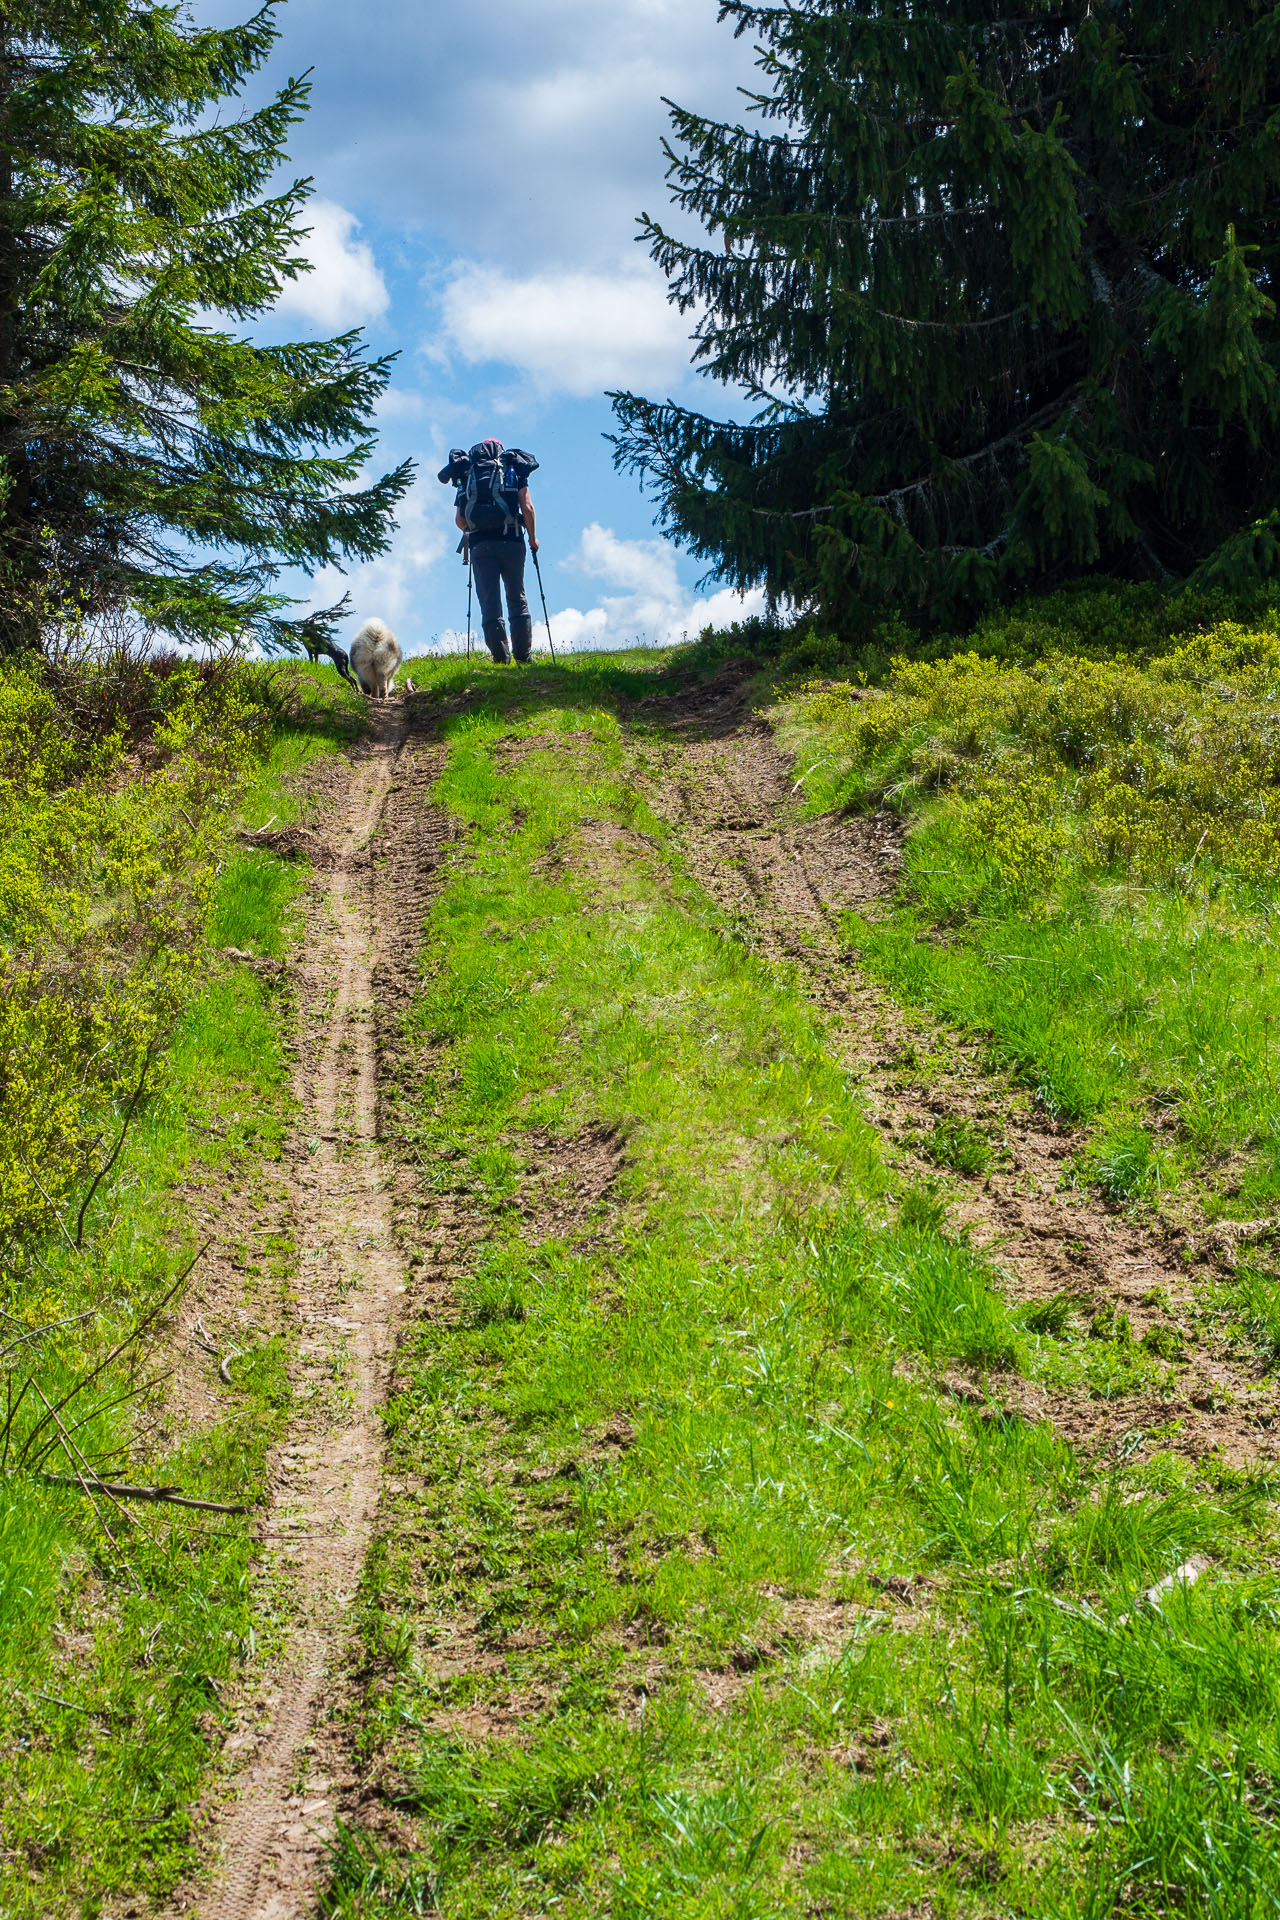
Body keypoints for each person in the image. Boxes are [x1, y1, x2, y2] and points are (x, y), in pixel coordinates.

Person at [439, 440, 539, 664]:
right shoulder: (512, 467)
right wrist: (532, 538)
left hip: (480, 545)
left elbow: (459, 519)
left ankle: (500, 659)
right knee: (517, 597)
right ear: (501, 450)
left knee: (489, 602)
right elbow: (527, 507)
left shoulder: (467, 473)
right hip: (511, 540)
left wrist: (475, 533)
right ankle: (523, 657)